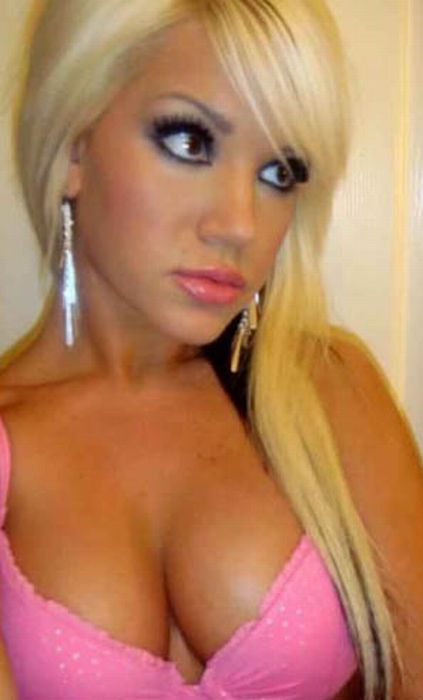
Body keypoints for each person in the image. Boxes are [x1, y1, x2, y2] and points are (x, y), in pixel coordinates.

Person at [0, 0, 422, 698]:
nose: (239, 225)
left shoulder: (326, 396)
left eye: (279, 172)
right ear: (74, 146)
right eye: (189, 142)